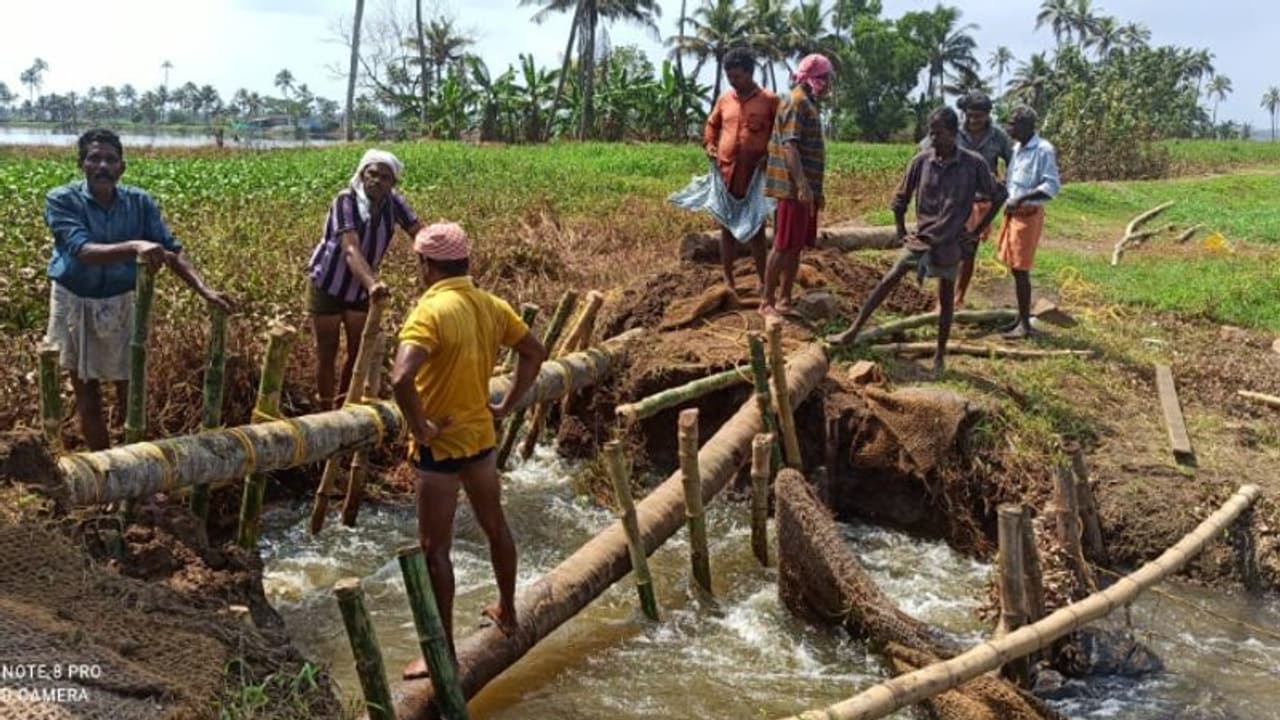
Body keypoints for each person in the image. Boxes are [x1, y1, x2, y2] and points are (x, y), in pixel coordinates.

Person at [390, 223, 547, 676]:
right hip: (480, 440)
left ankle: (442, 651)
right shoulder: (490, 304)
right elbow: (534, 352)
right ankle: (508, 611)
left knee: (434, 550)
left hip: (440, 449)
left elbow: (401, 377)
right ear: (465, 263)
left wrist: (419, 427)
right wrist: (507, 404)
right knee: (495, 527)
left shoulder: (430, 311)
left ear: (427, 265)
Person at [44, 128, 234, 451]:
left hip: (123, 299)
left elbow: (171, 248)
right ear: (81, 164)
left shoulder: (140, 202)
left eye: (110, 159)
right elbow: (82, 250)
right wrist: (135, 245)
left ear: (122, 167)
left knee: (129, 388)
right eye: (94, 158)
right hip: (75, 298)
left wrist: (204, 290)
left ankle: (133, 464)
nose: (102, 166)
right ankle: (104, 468)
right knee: (87, 391)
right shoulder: (62, 200)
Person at [826, 108, 1006, 379]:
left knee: (946, 298)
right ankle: (852, 331)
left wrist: (975, 231)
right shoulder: (921, 161)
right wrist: (901, 231)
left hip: (949, 241)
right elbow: (900, 200)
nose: (933, 139)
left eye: (939, 133)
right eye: (931, 133)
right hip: (921, 240)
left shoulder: (973, 164)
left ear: (954, 134)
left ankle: (939, 355)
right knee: (888, 279)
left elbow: (999, 194)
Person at [306, 149, 423, 410]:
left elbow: (418, 233)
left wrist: (446, 263)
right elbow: (350, 248)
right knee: (327, 351)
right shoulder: (345, 201)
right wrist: (372, 284)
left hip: (360, 290)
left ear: (393, 183)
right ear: (361, 174)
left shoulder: (395, 204)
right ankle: (326, 411)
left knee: (357, 352)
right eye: (371, 174)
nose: (376, 181)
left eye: (384, 177)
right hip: (329, 283)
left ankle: (344, 407)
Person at [919, 92, 1014, 307]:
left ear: (988, 115)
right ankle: (943, 298)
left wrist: (1005, 184)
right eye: (970, 115)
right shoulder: (955, 131)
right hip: (952, 199)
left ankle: (959, 296)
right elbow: (926, 146)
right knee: (946, 247)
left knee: (969, 248)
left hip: (980, 201)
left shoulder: (998, 136)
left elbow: (1013, 161)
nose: (973, 120)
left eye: (978, 116)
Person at [761, 53, 833, 316]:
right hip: (792, 190)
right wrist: (802, 186)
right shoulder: (797, 102)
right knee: (783, 245)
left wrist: (815, 191)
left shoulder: (807, 103)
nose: (829, 84)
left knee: (795, 246)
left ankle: (785, 299)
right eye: (827, 78)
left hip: (804, 191)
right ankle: (767, 301)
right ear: (818, 78)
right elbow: (790, 147)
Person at [703, 46, 779, 294]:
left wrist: (770, 155)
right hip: (727, 172)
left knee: (757, 228)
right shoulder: (725, 99)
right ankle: (728, 280)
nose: (733, 81)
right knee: (726, 227)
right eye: (729, 77)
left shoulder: (769, 100)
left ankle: (763, 280)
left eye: (737, 76)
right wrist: (710, 145)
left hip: (755, 175)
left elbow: (780, 134)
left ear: (749, 73)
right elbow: (712, 125)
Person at [999, 106, 1061, 339]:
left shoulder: (1043, 150)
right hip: (1014, 215)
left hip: (1027, 215)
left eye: (1012, 124)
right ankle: (1020, 318)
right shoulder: (1017, 149)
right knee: (1015, 268)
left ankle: (1024, 325)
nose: (1009, 128)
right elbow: (1013, 180)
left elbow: (1051, 186)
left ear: (1025, 126)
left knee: (1021, 269)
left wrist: (1021, 198)